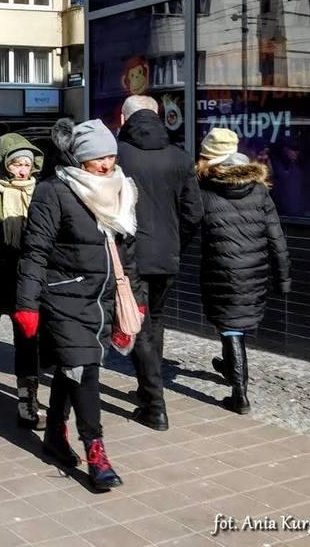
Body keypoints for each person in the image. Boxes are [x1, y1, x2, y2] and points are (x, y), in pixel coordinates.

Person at [16, 118, 145, 491]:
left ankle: (55, 435)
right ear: (79, 158)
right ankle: (96, 452)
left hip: (102, 297)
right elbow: (34, 251)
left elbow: (127, 251)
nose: (106, 164)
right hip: (63, 296)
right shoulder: (53, 192)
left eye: (110, 156)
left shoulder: (122, 189)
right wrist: (27, 304)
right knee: (85, 371)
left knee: (73, 369)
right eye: (97, 158)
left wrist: (135, 298)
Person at [117, 95, 203, 431]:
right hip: (167, 253)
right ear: (157, 116)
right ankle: (147, 389)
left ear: (124, 120)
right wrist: (175, 240)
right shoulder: (180, 157)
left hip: (130, 254)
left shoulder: (118, 156)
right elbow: (194, 213)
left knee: (134, 322)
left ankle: (155, 404)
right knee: (155, 322)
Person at [196, 129, 290, 415]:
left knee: (230, 326)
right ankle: (228, 367)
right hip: (254, 271)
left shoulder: (204, 189)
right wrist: (282, 276)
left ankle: (240, 394)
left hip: (221, 269)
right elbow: (276, 236)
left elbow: (186, 228)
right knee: (233, 324)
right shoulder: (258, 188)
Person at [0, 133, 45, 429]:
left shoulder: (40, 193)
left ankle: (28, 401)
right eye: (16, 163)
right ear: (5, 164)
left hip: (26, 280)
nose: (22, 170)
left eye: (27, 164)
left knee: (28, 339)